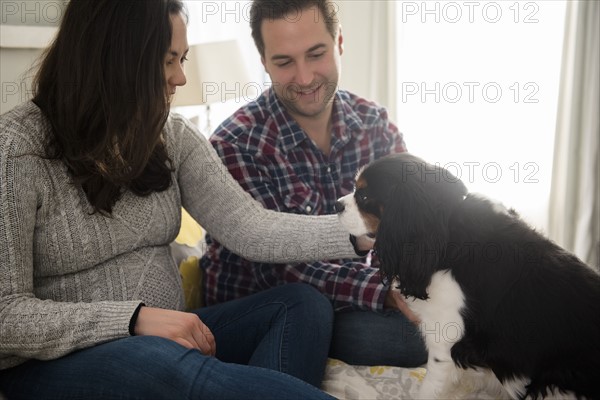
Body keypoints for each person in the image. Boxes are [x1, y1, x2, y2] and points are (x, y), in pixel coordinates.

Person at [0, 0, 364, 398]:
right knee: (157, 361)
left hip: (170, 340)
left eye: (183, 58)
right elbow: (6, 315)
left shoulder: (170, 134)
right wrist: (132, 320)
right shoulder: (17, 150)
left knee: (302, 305)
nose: (181, 78)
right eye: (168, 60)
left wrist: (358, 232)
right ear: (119, 60)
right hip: (55, 364)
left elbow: (249, 227)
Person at [202, 0, 428, 368]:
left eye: (316, 54)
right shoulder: (236, 144)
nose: (305, 78)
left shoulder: (374, 124)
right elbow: (279, 267)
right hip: (275, 307)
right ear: (264, 62)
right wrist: (384, 293)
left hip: (353, 296)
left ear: (339, 42)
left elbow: (410, 220)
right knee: (413, 340)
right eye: (284, 62)